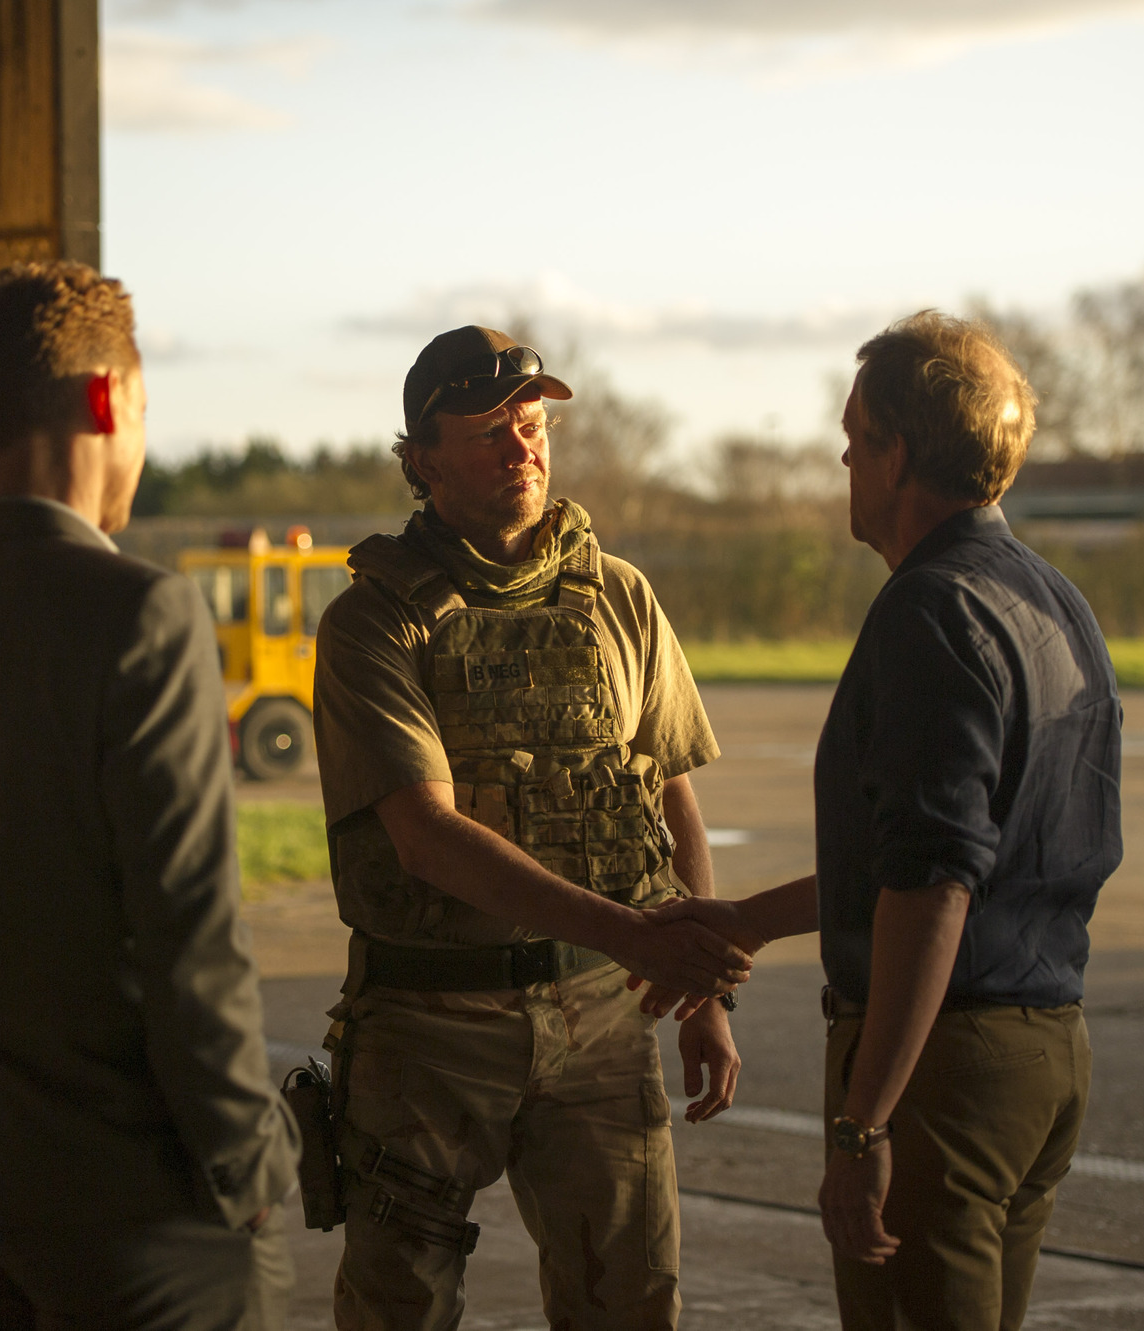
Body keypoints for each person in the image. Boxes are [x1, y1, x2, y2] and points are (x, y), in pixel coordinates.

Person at [0, 261, 298, 1331]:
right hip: (140, 1199)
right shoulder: (144, 617)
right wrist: (247, 1161)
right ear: (109, 397)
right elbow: (190, 939)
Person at [657, 311, 1122, 1331]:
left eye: (853, 438)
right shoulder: (1052, 599)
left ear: (897, 454)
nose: (841, 462)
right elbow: (939, 856)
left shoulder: (930, 610)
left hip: (941, 1068)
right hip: (1045, 1048)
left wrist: (862, 1125)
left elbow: (933, 885)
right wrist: (748, 920)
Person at [309, 325, 754, 1330]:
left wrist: (702, 991)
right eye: (487, 433)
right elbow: (425, 835)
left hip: (602, 1016)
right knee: (398, 1309)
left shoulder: (619, 596)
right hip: (432, 1027)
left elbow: (667, 792)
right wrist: (635, 935)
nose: (522, 448)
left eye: (531, 424)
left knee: (631, 1303)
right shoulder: (375, 622)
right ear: (422, 461)